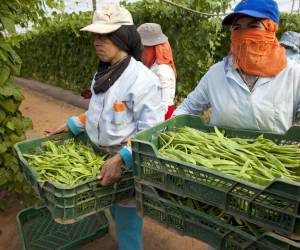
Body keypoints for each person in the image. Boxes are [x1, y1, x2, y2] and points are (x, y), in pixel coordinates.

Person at [49, 4, 164, 250]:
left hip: (126, 166)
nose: (96, 41)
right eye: (95, 35)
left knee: (127, 223)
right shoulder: (102, 74)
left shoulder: (143, 80)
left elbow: (152, 131)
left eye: (104, 35)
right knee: (110, 207)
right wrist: (73, 124)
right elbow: (98, 112)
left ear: (122, 37)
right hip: (99, 158)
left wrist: (122, 158)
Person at [174, 0, 300, 134]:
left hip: (274, 154)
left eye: (253, 26)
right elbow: (187, 108)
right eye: (237, 28)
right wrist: (170, 127)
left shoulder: (293, 74)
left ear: (271, 29)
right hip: (222, 153)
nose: (244, 34)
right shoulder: (217, 73)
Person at [137, 23, 176, 120]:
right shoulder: (152, 66)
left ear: (153, 48)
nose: (141, 52)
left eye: (143, 48)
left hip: (160, 119)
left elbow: (164, 106)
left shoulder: (162, 70)